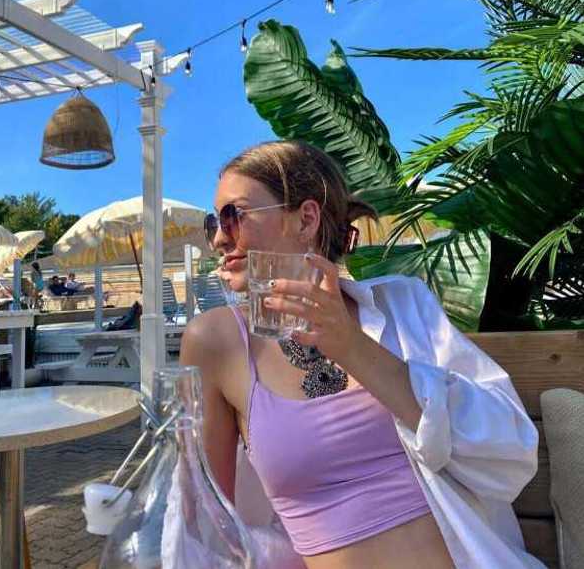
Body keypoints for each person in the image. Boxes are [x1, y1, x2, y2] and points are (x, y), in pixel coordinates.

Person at [181, 140, 541, 568]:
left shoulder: (402, 306)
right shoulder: (217, 341)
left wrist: (352, 347)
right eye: (214, 222)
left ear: (306, 219)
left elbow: (510, 452)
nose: (219, 239)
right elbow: (204, 522)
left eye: (233, 215)